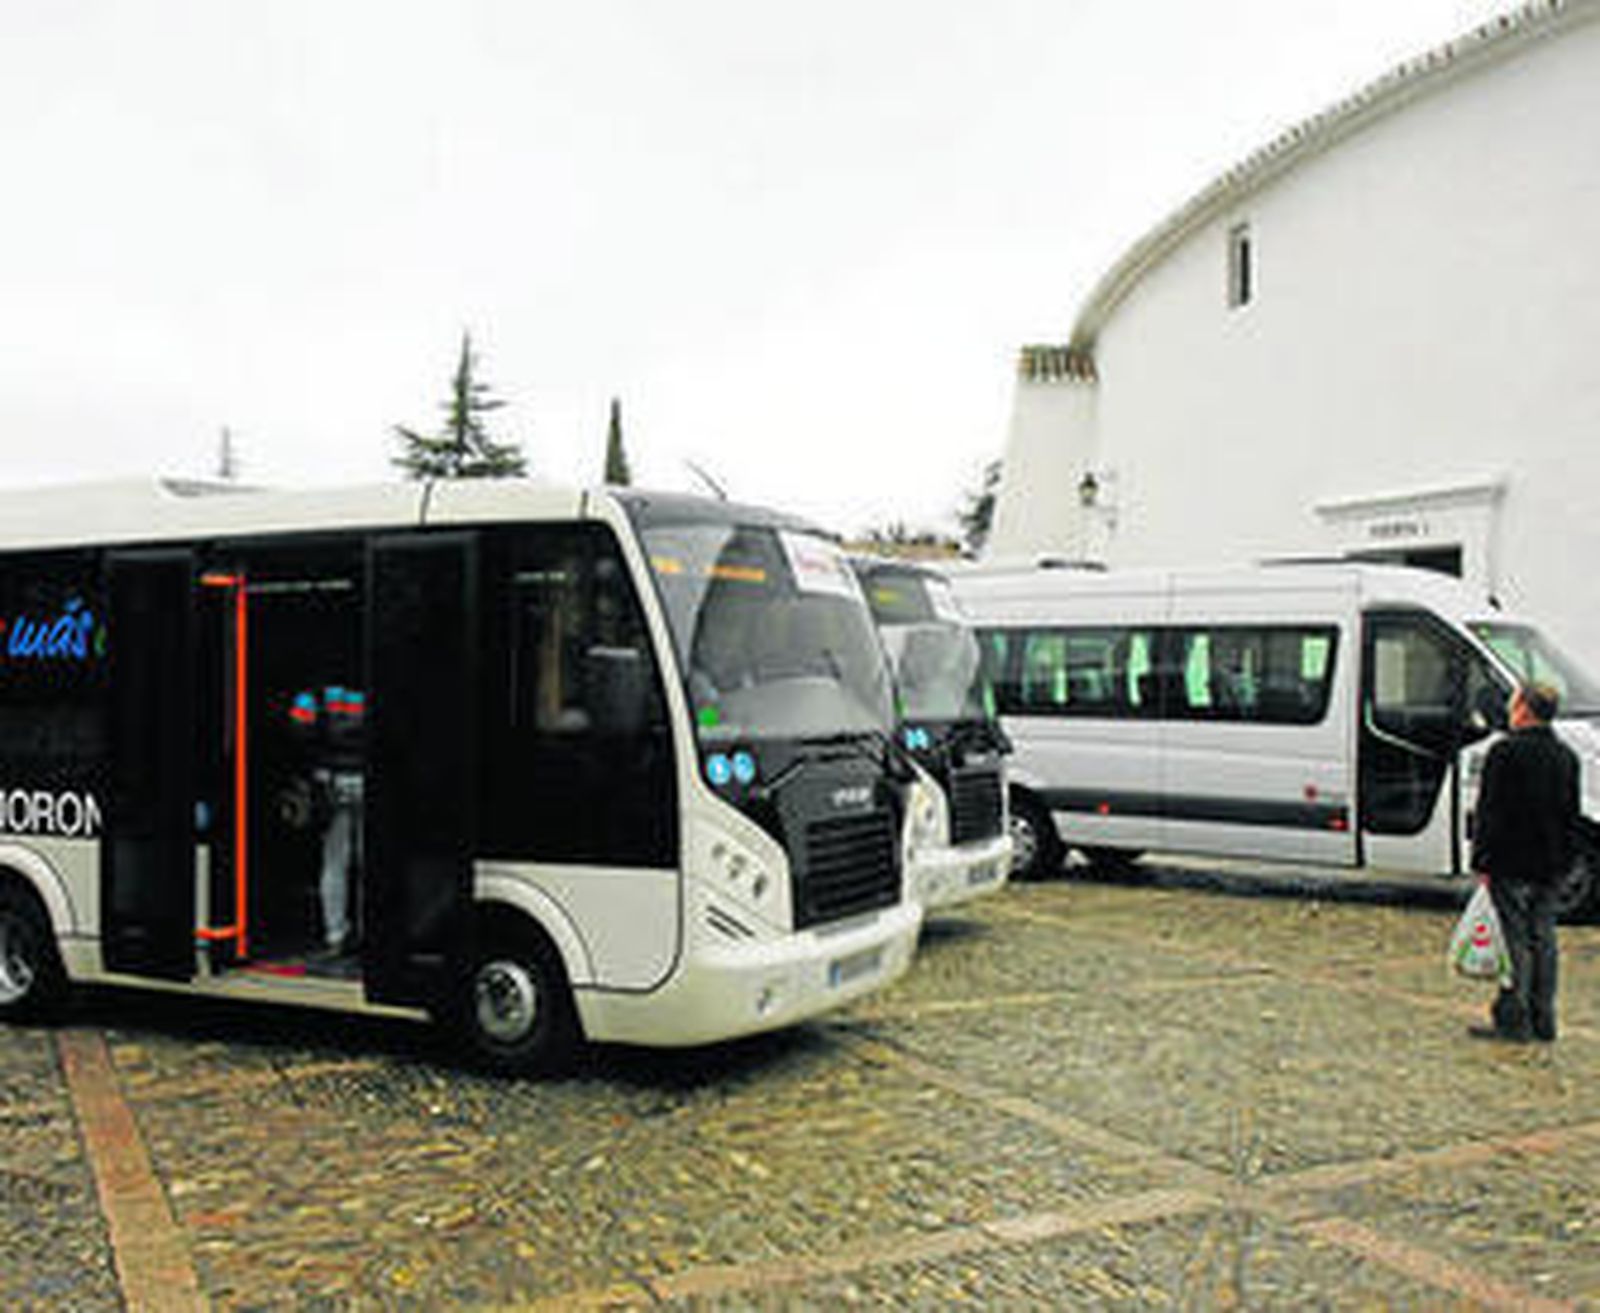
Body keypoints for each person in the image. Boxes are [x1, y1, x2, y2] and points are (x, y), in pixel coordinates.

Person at [1468, 680, 1579, 1043]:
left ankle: (1514, 1020)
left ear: (1524, 710)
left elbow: (1491, 813)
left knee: (1514, 941)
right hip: (1551, 864)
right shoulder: (1566, 756)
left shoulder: (1504, 753)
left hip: (1511, 863)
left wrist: (1481, 863)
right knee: (1543, 939)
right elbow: (1570, 815)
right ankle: (1543, 1018)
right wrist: (1566, 862)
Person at [288, 683, 366, 956]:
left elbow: (298, 733)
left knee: (335, 863)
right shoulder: (379, 680)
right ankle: (372, 931)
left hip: (330, 784)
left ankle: (336, 935)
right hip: (371, 782)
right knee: (371, 864)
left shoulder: (314, 696)